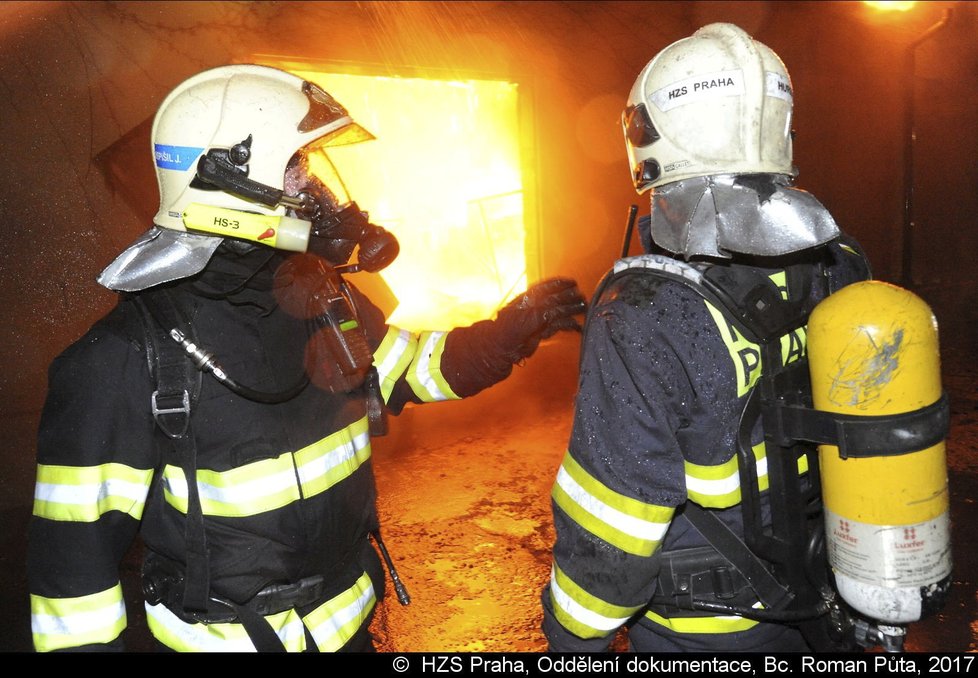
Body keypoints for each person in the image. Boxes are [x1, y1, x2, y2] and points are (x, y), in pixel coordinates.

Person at [28, 64, 586, 652]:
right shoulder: (120, 356)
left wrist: (507, 334)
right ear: (228, 181)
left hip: (350, 632)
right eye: (296, 165)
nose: (312, 186)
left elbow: (411, 372)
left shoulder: (319, 294)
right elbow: (72, 579)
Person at [541, 23, 875, 652]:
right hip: (826, 599)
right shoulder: (840, 261)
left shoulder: (645, 312)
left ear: (655, 136)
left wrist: (570, 637)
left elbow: (614, 524)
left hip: (705, 632)